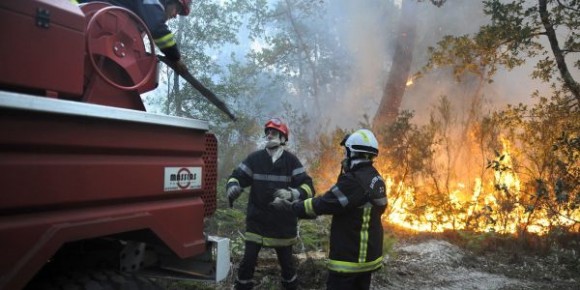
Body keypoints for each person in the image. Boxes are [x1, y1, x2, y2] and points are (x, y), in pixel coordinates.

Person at [271, 129, 387, 290]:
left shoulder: (352, 182)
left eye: (346, 152)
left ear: (353, 153)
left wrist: (290, 207)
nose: (345, 156)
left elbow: (322, 204)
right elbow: (379, 208)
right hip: (368, 259)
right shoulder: (377, 179)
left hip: (349, 259)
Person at [226, 118, 315, 290]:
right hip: (257, 223)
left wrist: (292, 193)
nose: (268, 135)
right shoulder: (255, 159)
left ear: (283, 138)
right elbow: (236, 176)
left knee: (287, 266)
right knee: (247, 263)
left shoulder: (291, 161)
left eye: (273, 132)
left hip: (283, 225)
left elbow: (309, 186)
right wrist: (233, 186)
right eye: (267, 132)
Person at [76, 0, 190, 72]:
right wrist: (176, 58)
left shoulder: (143, 13)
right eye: (177, 9)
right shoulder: (154, 2)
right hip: (80, 15)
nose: (175, 15)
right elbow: (157, 28)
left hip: (85, 20)